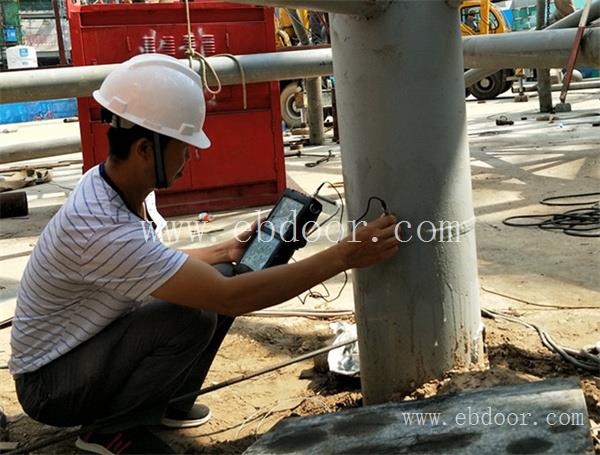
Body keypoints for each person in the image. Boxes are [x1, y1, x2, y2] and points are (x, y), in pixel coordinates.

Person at [9, 54, 400, 454]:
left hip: (84, 349)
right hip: (50, 385)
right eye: (184, 146)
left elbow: (155, 263)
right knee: (196, 311)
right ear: (146, 149)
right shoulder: (100, 226)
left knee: (230, 271)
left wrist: (226, 249)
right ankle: (110, 430)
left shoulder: (115, 184)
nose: (191, 157)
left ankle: (168, 401)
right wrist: (344, 256)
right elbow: (232, 299)